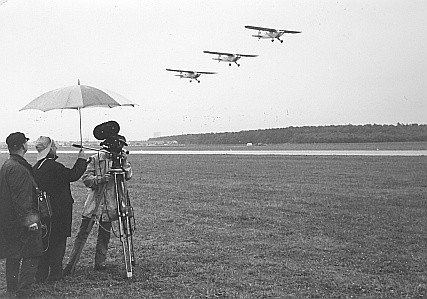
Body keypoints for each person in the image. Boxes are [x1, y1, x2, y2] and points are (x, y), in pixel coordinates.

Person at [63, 136, 132, 274]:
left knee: (104, 236)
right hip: (94, 203)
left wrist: (124, 164)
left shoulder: (120, 160)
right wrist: (100, 179)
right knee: (82, 234)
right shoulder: (95, 159)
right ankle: (71, 264)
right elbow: (86, 179)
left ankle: (100, 263)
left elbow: (128, 175)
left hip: (110, 205)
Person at [32, 136, 87, 283]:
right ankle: (56, 273)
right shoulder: (54, 167)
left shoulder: (37, 167)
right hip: (59, 211)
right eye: (54, 146)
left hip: (44, 211)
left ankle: (41, 273)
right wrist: (81, 160)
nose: (56, 148)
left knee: (46, 240)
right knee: (58, 242)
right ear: (49, 149)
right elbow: (72, 175)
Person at [0, 132, 43, 298]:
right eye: (25, 141)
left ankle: (12, 288)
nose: (27, 144)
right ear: (22, 146)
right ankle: (23, 291)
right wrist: (30, 221)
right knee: (32, 253)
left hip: (9, 220)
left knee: (13, 255)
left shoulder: (8, 165)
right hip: (21, 221)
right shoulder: (19, 169)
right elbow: (22, 198)